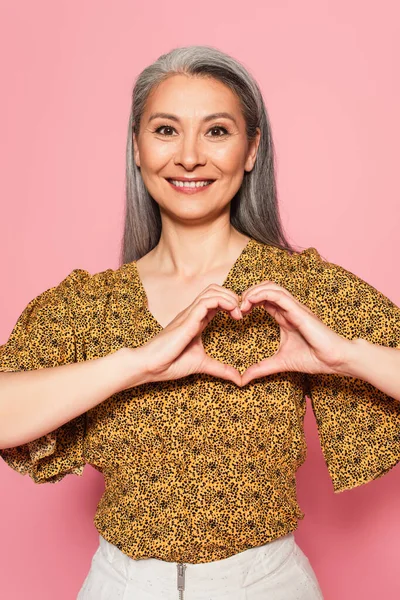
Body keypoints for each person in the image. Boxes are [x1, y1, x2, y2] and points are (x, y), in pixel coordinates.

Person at [1, 45, 400, 600]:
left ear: (252, 149)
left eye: (216, 131)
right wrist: (136, 365)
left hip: (266, 585)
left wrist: (346, 355)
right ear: (137, 149)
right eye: (166, 130)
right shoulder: (88, 304)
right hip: (120, 586)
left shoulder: (296, 290)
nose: (189, 157)